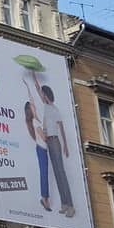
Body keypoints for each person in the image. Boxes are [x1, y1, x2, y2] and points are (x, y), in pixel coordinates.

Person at [33, 74, 75, 217]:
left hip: (55, 141)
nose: (42, 96)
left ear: (48, 95)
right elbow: (37, 88)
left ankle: (70, 205)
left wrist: (65, 145)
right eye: (42, 94)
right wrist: (34, 75)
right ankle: (64, 204)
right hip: (47, 141)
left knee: (61, 172)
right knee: (56, 173)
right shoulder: (44, 106)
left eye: (44, 94)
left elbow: (61, 128)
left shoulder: (54, 109)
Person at [23, 83, 51, 211]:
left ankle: (45, 198)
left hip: (42, 149)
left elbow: (33, 99)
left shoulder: (37, 119)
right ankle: (44, 198)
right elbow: (44, 138)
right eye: (32, 107)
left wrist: (28, 86)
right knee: (44, 173)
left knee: (45, 173)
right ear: (31, 110)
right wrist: (48, 132)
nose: (34, 107)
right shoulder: (35, 121)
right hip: (41, 149)